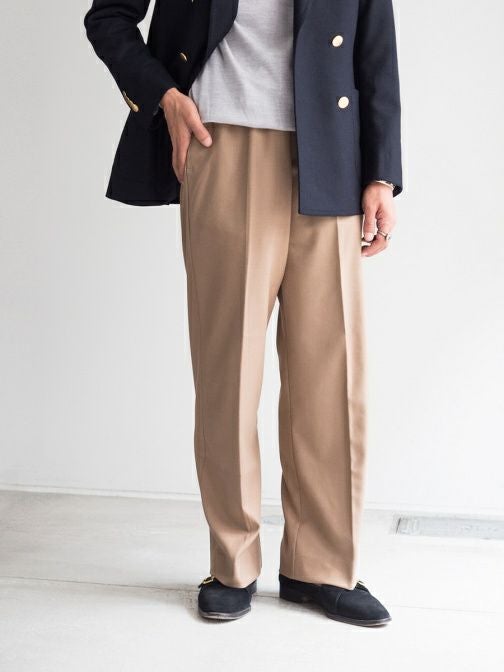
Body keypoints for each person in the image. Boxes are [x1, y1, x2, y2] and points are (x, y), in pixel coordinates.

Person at [84, 0, 402, 626]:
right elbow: (109, 16)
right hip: (221, 141)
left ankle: (321, 566)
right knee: (229, 368)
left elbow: (376, 47)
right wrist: (164, 97)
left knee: (332, 375)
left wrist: (382, 174)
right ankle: (232, 562)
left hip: (333, 151)